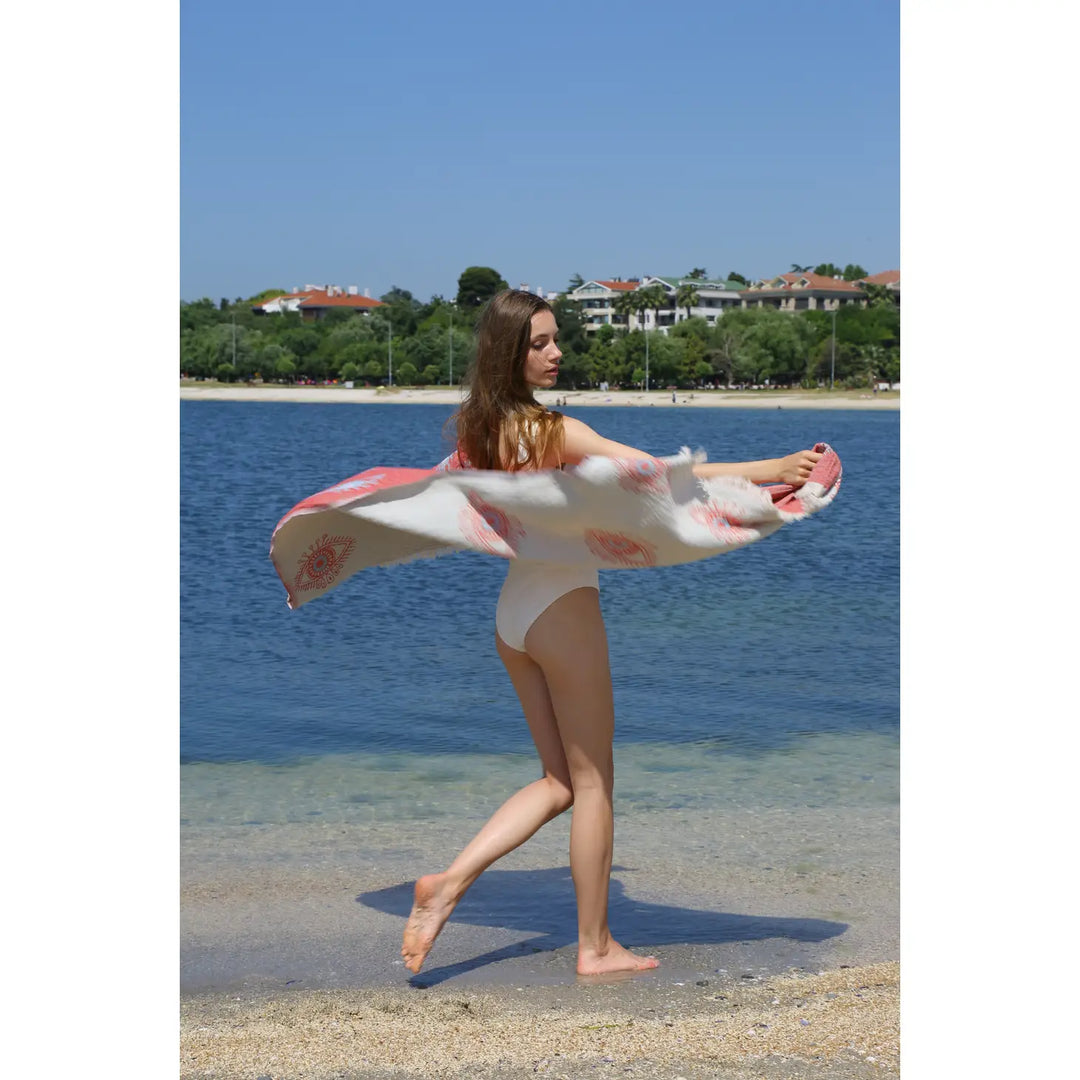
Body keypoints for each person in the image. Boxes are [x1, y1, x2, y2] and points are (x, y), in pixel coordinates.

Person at [401, 290, 822, 977]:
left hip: (514, 618)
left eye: (555, 338)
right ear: (508, 352)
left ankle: (448, 883)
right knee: (596, 784)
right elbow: (657, 478)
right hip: (562, 606)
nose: (556, 351)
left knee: (559, 782)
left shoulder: (475, 435)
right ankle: (594, 946)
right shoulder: (551, 431)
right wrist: (767, 472)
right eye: (539, 342)